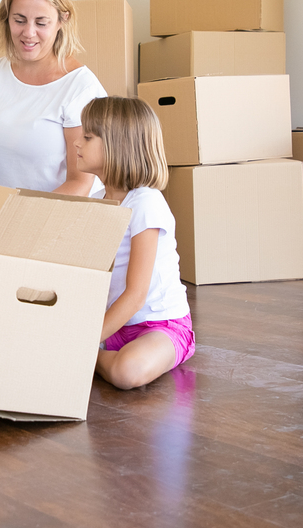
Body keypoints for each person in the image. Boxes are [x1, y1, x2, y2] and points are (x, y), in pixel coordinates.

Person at [74, 96, 195, 390]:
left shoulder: (146, 204)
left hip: (160, 326)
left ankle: (88, 358)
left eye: (88, 137)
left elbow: (136, 294)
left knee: (127, 373)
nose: (77, 143)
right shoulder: (96, 203)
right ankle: (97, 356)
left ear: (117, 146)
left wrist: (84, 341)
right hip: (114, 326)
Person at [0, 0, 106, 195]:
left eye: (41, 23)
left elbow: (80, 184)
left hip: (53, 220)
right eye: (19, 20)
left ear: (62, 20)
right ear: (7, 18)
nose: (29, 32)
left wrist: (23, 217)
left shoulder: (80, 88)